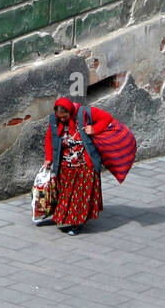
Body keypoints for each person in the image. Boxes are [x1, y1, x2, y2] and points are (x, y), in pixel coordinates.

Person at [42, 96, 113, 235]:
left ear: (70, 111)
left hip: (85, 165)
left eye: (65, 116)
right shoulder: (54, 120)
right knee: (66, 194)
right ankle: (63, 217)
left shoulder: (84, 113)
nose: (62, 119)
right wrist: (48, 158)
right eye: (60, 117)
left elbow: (107, 118)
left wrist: (94, 129)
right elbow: (49, 138)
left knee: (79, 196)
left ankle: (75, 223)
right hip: (65, 165)